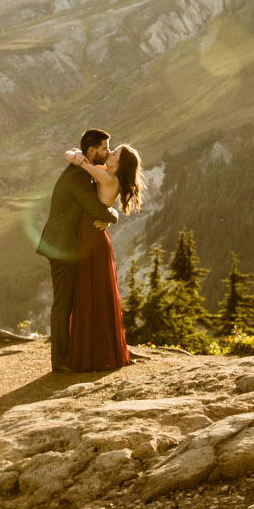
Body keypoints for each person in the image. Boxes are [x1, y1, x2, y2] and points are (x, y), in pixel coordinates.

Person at [34, 127, 118, 372]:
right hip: (61, 246)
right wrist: (114, 215)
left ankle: (69, 355)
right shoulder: (78, 177)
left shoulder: (82, 171)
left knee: (67, 301)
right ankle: (59, 362)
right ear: (92, 151)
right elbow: (95, 209)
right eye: (104, 148)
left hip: (66, 244)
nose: (108, 152)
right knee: (63, 303)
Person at [61, 136, 143, 373]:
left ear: (120, 163)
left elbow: (82, 163)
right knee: (93, 291)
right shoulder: (107, 173)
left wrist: (74, 156)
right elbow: (79, 158)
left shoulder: (107, 177)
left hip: (91, 236)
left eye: (114, 153)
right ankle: (97, 351)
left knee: (90, 291)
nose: (109, 154)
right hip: (91, 234)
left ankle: (92, 355)